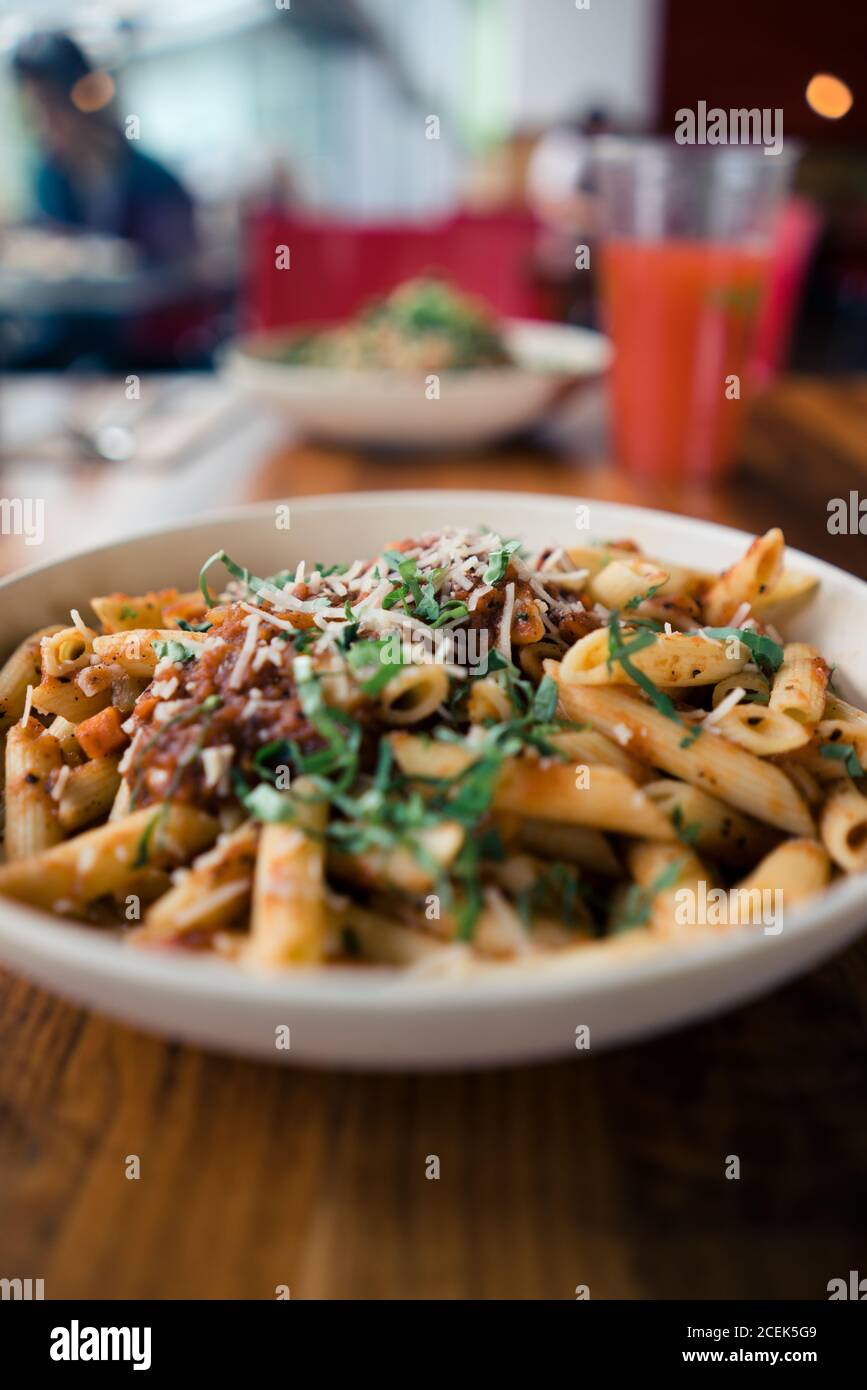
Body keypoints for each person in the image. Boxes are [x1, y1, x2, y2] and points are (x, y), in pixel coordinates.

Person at [12, 30, 197, 267]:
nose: (44, 123)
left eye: (50, 104)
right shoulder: (49, 181)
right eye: (34, 110)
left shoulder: (152, 181)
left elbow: (183, 270)